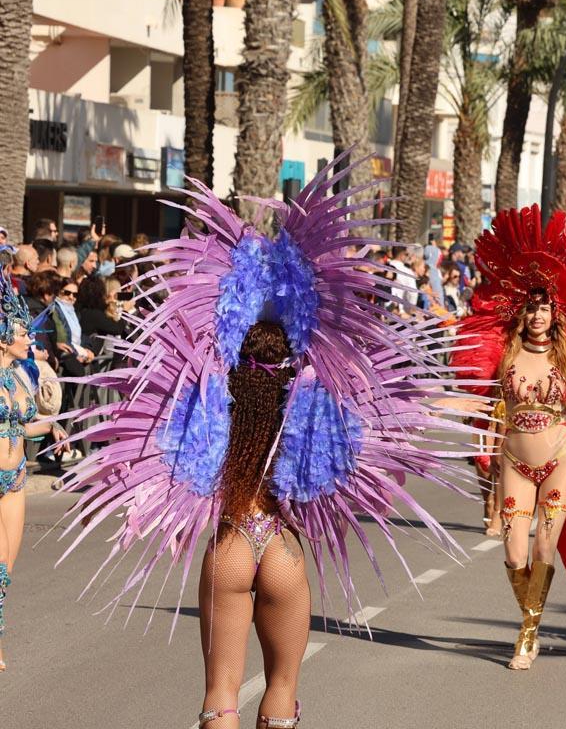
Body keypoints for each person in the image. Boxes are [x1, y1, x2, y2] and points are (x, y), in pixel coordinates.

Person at [58, 161, 477, 722]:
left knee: (218, 699)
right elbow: (382, 428)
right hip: (281, 546)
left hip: (230, 542)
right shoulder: (312, 405)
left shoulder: (208, 396)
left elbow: (145, 420)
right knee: (281, 695)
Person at [453, 205, 566, 670]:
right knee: (513, 551)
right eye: (532, 306)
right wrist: (481, 446)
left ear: (556, 311)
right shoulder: (501, 348)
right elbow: (485, 403)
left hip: (560, 457)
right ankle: (530, 619)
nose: (539, 314)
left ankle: (527, 634)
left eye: (546, 307)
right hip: (514, 459)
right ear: (521, 312)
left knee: (545, 546)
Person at [0, 279, 68, 670]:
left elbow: (24, 427)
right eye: (24, 332)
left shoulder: (22, 378)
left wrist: (53, 426)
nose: (30, 339)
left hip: (17, 480)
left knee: (6, 569)